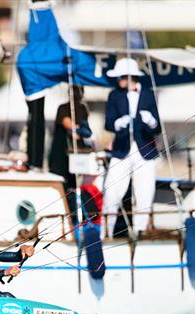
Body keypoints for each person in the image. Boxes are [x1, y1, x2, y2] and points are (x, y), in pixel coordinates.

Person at [103, 57, 162, 238]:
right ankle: (106, 234)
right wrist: (118, 124)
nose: (119, 80)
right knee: (111, 193)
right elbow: (108, 123)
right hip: (122, 151)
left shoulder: (149, 94)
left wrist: (151, 121)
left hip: (145, 151)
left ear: (130, 77)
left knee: (144, 194)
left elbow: (158, 127)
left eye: (121, 77)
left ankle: (140, 233)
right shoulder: (114, 95)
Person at [49, 85, 94, 228]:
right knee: (63, 184)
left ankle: (75, 217)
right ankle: (65, 216)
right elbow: (67, 123)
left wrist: (81, 131)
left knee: (75, 186)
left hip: (76, 155)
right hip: (61, 154)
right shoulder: (63, 108)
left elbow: (84, 129)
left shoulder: (83, 109)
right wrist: (76, 129)